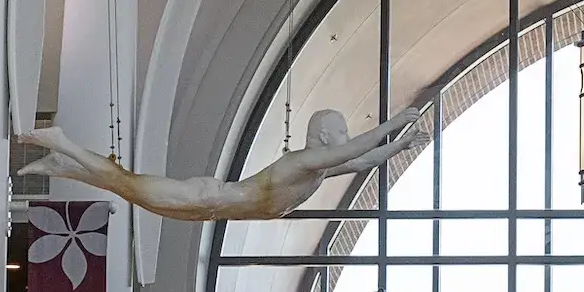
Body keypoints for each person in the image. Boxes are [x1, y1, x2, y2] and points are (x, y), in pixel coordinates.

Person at [25, 105, 428, 220]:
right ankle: (66, 147)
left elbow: (360, 162)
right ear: (324, 137)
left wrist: (401, 145)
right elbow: (352, 152)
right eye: (341, 130)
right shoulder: (304, 161)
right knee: (131, 186)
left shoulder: (318, 173)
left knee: (131, 193)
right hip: (206, 197)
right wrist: (391, 124)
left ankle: (66, 165)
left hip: (212, 210)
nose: (345, 137)